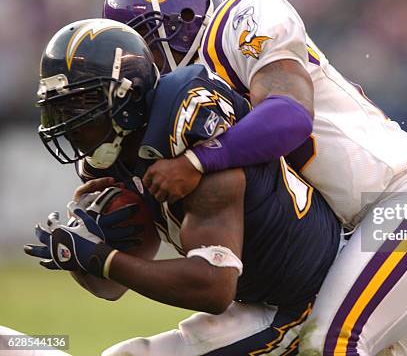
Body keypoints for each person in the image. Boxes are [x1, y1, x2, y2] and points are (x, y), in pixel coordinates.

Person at [102, 0, 407, 356]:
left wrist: (197, 162)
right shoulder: (185, 104)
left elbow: (290, 115)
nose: (141, 65)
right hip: (359, 236)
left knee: (331, 344)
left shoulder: (240, 21)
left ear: (181, 21)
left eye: (142, 43)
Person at [26, 18, 342, 356]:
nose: (69, 125)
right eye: (59, 109)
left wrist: (103, 259)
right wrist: (82, 251)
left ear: (126, 96)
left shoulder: (190, 133)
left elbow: (213, 287)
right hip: (262, 298)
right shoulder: (114, 157)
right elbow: (112, 287)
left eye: (81, 106)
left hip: (310, 298)